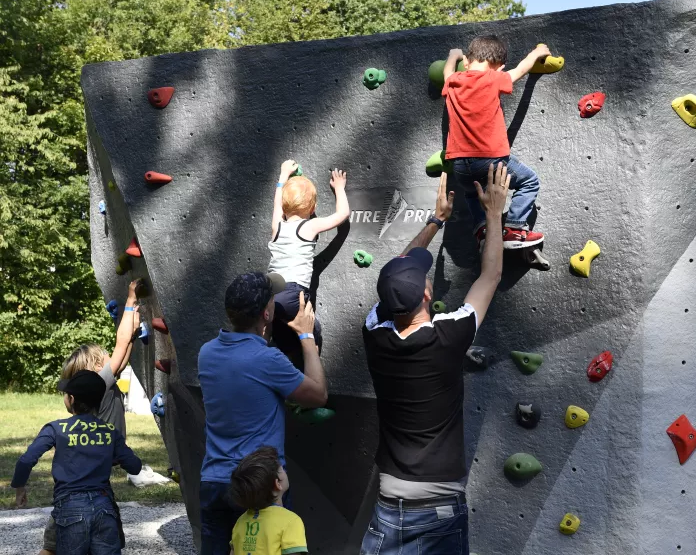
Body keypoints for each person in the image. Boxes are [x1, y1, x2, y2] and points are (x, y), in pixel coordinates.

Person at [360, 165, 509, 555]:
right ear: (426, 297)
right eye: (425, 281)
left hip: (389, 507)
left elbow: (399, 270)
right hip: (439, 510)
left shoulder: (375, 332)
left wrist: (434, 221)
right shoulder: (448, 336)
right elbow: (490, 276)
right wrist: (494, 213)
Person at [198, 271, 327, 555]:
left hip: (214, 481)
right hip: (259, 484)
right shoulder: (268, 360)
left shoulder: (206, 353)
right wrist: (306, 335)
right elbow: (317, 395)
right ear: (267, 314)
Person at [33, 279, 144, 555]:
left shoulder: (97, 386)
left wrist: (134, 321)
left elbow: (125, 351)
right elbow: (120, 348)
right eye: (104, 359)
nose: (109, 360)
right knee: (72, 532)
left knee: (64, 533)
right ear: (96, 367)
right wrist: (130, 300)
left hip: (87, 473)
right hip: (95, 474)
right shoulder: (100, 381)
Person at [11, 370, 142, 555]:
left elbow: (26, 460)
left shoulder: (56, 428)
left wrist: (20, 488)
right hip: (104, 507)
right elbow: (135, 467)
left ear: (71, 399)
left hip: (70, 508)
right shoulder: (110, 431)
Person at [441, 35, 551, 250]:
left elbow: (447, 73)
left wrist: (452, 56)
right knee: (529, 182)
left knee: (473, 192)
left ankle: (482, 230)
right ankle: (514, 229)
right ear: (499, 67)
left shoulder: (454, 82)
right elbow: (520, 70)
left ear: (466, 62)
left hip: (460, 165)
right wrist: (536, 53)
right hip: (490, 159)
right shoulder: (493, 79)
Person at [269, 160, 350, 353]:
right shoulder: (310, 226)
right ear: (312, 209)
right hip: (293, 293)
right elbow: (343, 214)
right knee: (312, 331)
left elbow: (276, 206)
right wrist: (339, 188)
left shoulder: (277, 227)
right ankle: (309, 359)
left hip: (271, 293)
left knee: (280, 334)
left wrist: (283, 176)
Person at [228, 446, 308, 555]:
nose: (285, 471)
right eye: (282, 469)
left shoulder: (240, 522)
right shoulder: (291, 521)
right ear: (277, 484)